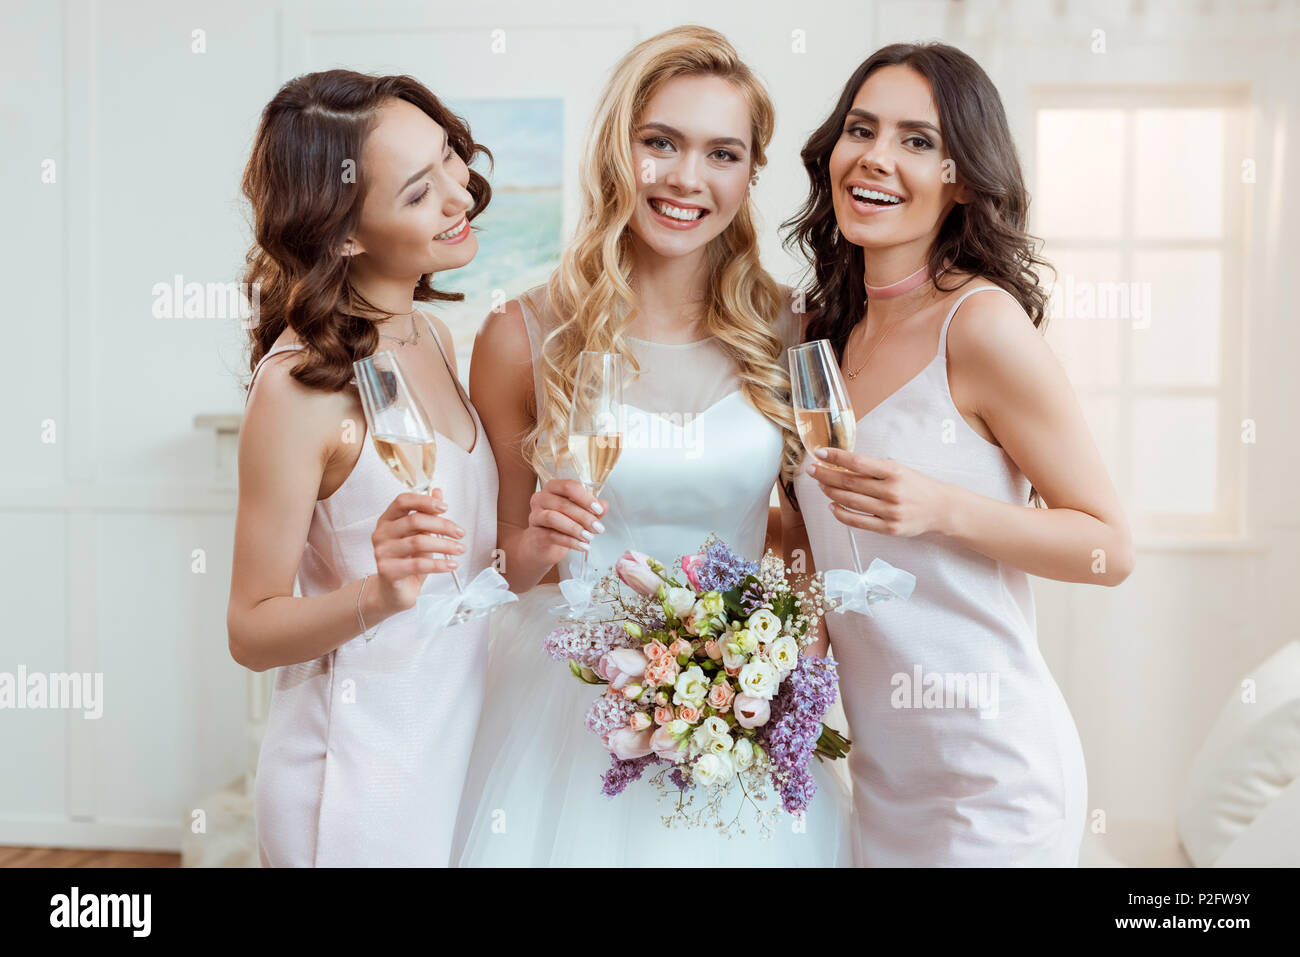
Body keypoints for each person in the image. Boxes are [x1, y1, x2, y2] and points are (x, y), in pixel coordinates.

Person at [454, 26, 852, 866]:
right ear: (615, 151)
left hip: (740, 704)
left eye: (722, 153)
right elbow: (493, 568)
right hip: (568, 708)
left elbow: (809, 531)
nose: (686, 179)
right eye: (660, 142)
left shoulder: (790, 332)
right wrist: (537, 544)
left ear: (750, 174)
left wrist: (778, 647)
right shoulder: (521, 334)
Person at [784, 43, 1134, 865]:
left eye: (916, 140)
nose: (875, 157)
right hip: (879, 778)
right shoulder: (818, 334)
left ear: (962, 177)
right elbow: (821, 528)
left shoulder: (979, 325)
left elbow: (1109, 547)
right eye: (860, 129)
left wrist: (941, 507)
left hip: (993, 782)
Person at [227, 69, 499, 866]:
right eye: (419, 192)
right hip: (357, 779)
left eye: (451, 156)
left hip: (448, 749)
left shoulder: (432, 339)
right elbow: (250, 628)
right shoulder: (300, 384)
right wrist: (377, 594)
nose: (460, 194)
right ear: (344, 232)